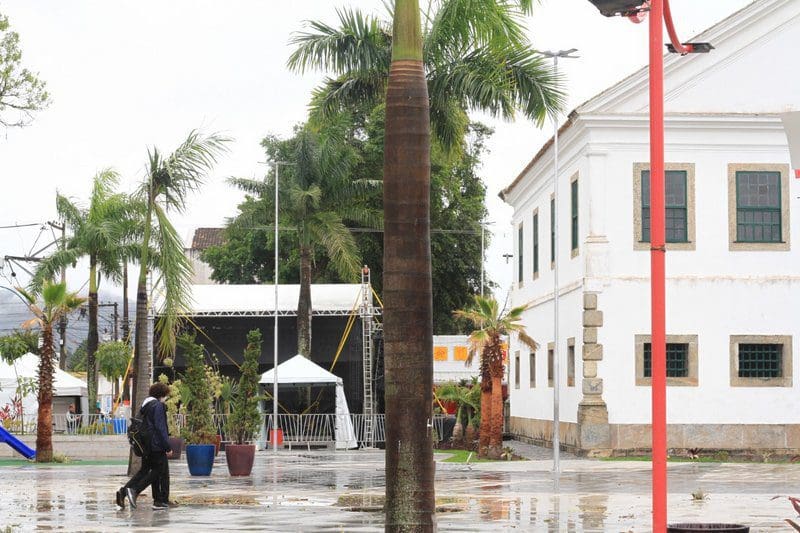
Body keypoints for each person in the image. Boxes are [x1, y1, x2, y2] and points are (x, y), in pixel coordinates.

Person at [116, 382, 173, 510]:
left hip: (146, 445)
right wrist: (167, 446)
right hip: (156, 445)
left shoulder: (145, 405)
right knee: (159, 470)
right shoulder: (157, 406)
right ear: (161, 395)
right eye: (165, 395)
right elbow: (160, 427)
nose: (166, 398)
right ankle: (136, 491)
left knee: (145, 470)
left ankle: (124, 492)